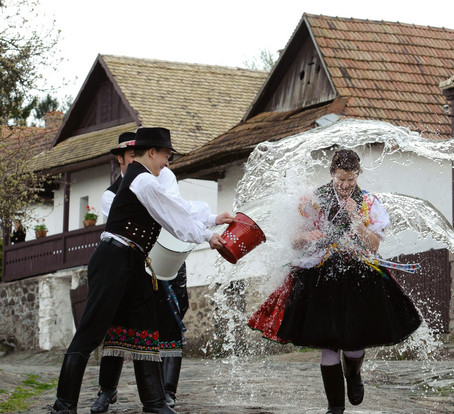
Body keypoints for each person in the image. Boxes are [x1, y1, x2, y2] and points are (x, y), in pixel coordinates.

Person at [49, 127, 234, 414]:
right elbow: (172, 216)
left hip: (134, 261)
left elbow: (176, 206)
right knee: (90, 331)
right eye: (166, 155)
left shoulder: (146, 179)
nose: (168, 162)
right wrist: (208, 236)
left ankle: (155, 403)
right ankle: (63, 405)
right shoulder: (144, 181)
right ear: (151, 152)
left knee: (146, 328)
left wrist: (211, 218)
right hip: (113, 260)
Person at [248, 149, 422, 414]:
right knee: (328, 345)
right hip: (320, 275)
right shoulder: (313, 200)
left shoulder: (368, 203)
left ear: (357, 176)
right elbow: (294, 240)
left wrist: (354, 218)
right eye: (341, 179)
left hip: (359, 276)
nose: (345, 185)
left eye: (350, 180)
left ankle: (353, 374)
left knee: (354, 344)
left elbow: (373, 246)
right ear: (332, 174)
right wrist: (306, 237)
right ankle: (334, 408)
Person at [90, 132, 204, 412]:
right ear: (122, 158)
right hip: (133, 261)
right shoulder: (111, 194)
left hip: (166, 256)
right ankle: (107, 390)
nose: (135, 160)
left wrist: (207, 221)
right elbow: (157, 214)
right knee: (118, 324)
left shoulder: (163, 175)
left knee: (168, 319)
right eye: (130, 155)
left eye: (137, 154)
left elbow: (176, 208)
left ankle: (166, 391)